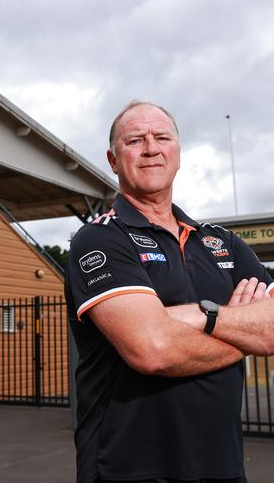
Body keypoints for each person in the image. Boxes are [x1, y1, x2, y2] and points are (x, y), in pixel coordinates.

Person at [65, 100, 274, 483]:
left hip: (222, 467)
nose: (150, 148)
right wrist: (244, 332)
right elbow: (153, 349)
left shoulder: (222, 242)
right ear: (113, 159)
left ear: (177, 154)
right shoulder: (98, 239)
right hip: (127, 470)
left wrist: (197, 315)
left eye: (162, 137)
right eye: (135, 140)